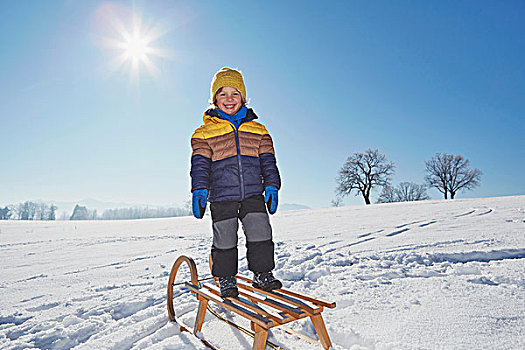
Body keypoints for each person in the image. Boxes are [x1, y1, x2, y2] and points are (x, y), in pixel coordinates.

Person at [190, 67, 282, 298]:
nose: (229, 99)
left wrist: (272, 185)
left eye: (235, 93)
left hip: (253, 193)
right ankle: (227, 278)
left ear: (243, 97)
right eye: (223, 94)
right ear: (214, 99)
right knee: (225, 237)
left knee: (261, 232)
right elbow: (200, 165)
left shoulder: (259, 130)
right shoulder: (203, 133)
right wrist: (199, 190)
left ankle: (262, 274)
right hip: (221, 195)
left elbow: (268, 161)